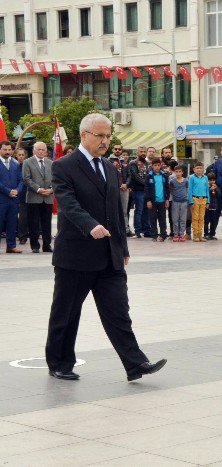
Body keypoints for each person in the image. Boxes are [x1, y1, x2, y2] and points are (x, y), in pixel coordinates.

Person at [45, 113, 166, 381]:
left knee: (118, 311)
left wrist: (122, 248)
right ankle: (59, 363)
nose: (105, 141)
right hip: (76, 255)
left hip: (109, 255)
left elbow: (116, 212)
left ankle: (135, 364)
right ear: (84, 135)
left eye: (108, 136)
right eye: (100, 136)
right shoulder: (64, 166)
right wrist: (90, 225)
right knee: (66, 313)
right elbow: (67, 203)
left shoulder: (110, 168)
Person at [22, 141, 54, 253]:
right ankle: (35, 245)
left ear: (46, 151)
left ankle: (47, 245)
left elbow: (56, 179)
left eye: (43, 150)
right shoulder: (27, 162)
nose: (41, 151)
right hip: (34, 197)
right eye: (39, 149)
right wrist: (39, 189)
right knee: (33, 223)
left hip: (48, 197)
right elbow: (26, 179)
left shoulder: (51, 163)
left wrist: (51, 189)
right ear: (34, 150)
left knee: (47, 223)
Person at [0, 141, 23, 254]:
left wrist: (17, 191)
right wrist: (8, 191)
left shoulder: (15, 163)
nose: (8, 152)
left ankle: (11, 246)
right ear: (0, 149)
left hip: (14, 200)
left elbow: (21, 180)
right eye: (5, 149)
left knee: (12, 223)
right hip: (1, 199)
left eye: (9, 150)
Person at [145, 158, 170, 242]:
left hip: (162, 200)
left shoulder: (164, 175)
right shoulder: (149, 176)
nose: (157, 167)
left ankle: (163, 235)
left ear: (160, 166)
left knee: (162, 218)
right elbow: (147, 188)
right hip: (152, 201)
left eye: (158, 165)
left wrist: (167, 199)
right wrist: (148, 200)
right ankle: (154, 235)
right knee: (153, 218)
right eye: (155, 165)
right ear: (152, 166)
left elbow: (167, 188)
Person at [128, 145, 150, 237]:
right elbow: (134, 176)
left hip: (146, 191)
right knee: (139, 211)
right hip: (138, 190)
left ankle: (146, 231)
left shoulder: (147, 163)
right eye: (141, 152)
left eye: (144, 152)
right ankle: (138, 231)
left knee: (146, 211)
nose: (143, 153)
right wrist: (146, 183)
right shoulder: (133, 162)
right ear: (137, 152)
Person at [188, 161, 210, 242]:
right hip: (195, 199)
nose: (199, 170)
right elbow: (189, 190)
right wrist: (191, 202)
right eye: (197, 168)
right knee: (195, 218)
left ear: (203, 169)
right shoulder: (192, 177)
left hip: (204, 199)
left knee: (201, 218)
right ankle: (195, 235)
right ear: (194, 169)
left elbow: (207, 189)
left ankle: (200, 235)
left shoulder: (205, 177)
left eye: (201, 168)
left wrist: (208, 201)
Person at [169, 165, 189, 242]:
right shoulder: (172, 181)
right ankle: (176, 234)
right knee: (175, 219)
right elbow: (171, 190)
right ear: (174, 172)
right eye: (176, 172)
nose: (178, 173)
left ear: (182, 172)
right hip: (175, 202)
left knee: (183, 219)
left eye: (179, 171)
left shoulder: (186, 181)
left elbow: (187, 189)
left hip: (184, 201)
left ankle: (181, 234)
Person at [15, 147, 29, 245]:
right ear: (16, 156)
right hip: (13, 194)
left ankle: (23, 236)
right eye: (19, 155)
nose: (21, 157)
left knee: (23, 217)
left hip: (25, 195)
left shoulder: (28, 166)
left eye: (22, 155)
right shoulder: (13, 166)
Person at [204, 173, 220, 241]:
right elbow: (206, 194)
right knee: (206, 221)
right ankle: (206, 234)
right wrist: (210, 189)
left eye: (213, 180)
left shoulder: (216, 187)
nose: (212, 181)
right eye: (210, 180)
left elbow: (219, 195)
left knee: (213, 221)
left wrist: (216, 189)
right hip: (207, 207)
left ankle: (212, 234)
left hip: (214, 207)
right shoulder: (206, 187)